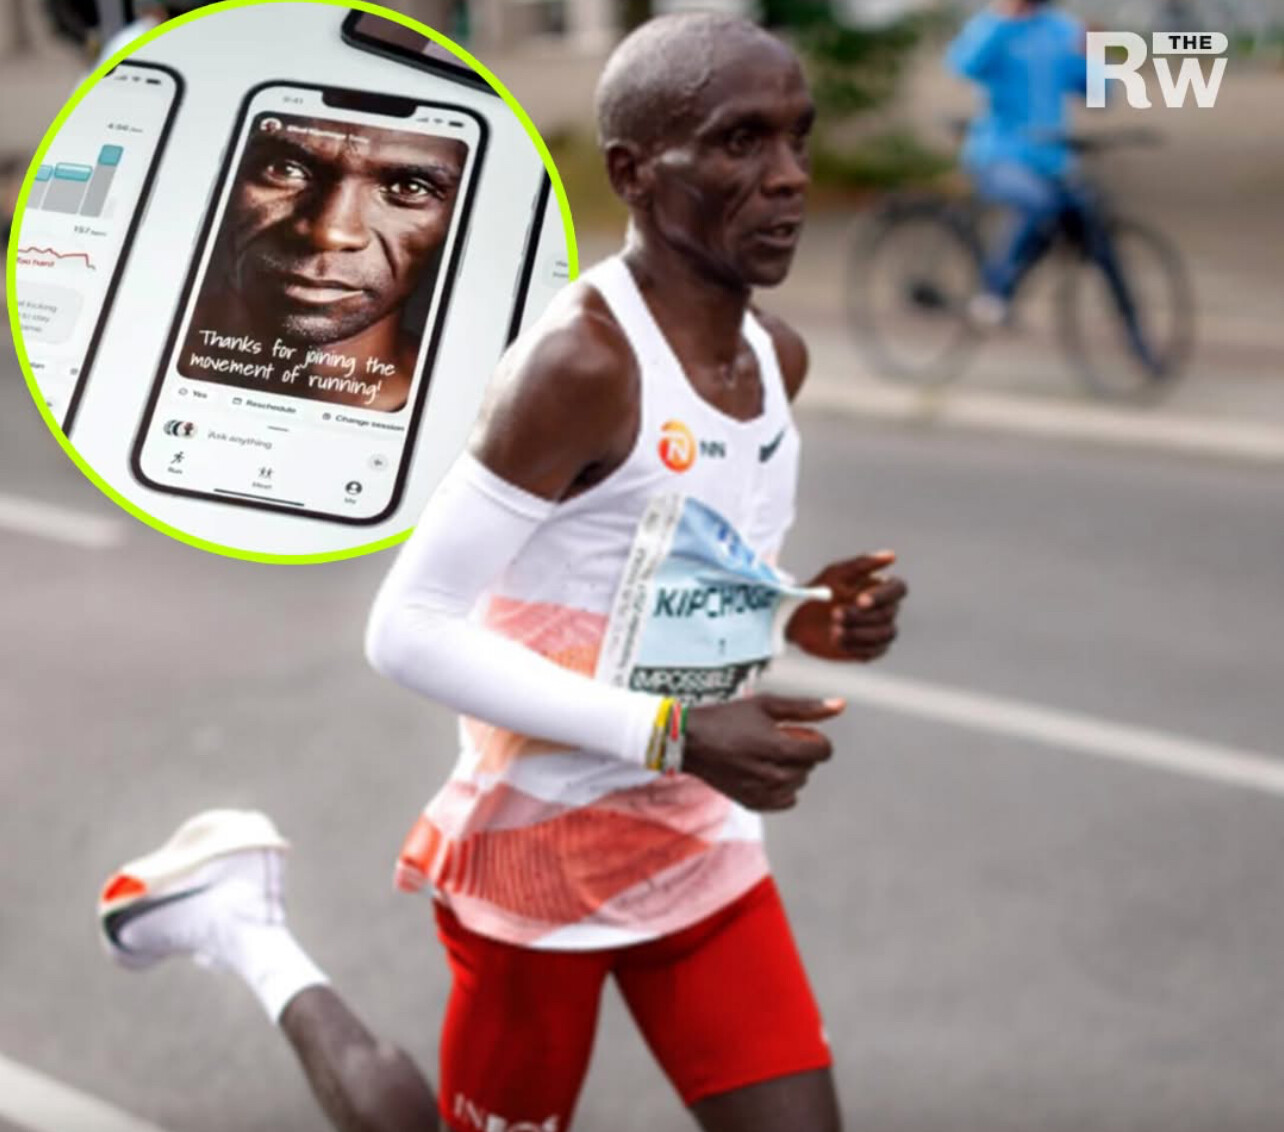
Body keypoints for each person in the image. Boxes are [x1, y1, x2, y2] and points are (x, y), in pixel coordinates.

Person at [97, 13, 908, 1132]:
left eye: (797, 138)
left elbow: (659, 575)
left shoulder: (776, 358)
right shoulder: (581, 364)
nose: (788, 178)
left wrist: (805, 615)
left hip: (699, 850)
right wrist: (675, 733)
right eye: (739, 142)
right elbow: (409, 626)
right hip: (540, 869)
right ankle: (244, 927)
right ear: (633, 172)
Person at [178, 115, 468, 411]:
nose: (329, 233)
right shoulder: (147, 339)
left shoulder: (469, 413)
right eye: (284, 169)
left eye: (409, 188)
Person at [947, 0, 1162, 373]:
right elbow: (964, 65)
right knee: (1038, 203)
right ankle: (995, 291)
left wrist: (1096, 56)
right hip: (999, 154)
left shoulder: (1062, 30)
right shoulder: (993, 24)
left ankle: (1136, 337)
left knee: (1097, 231)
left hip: (1052, 160)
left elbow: (1099, 95)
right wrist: (1004, 18)